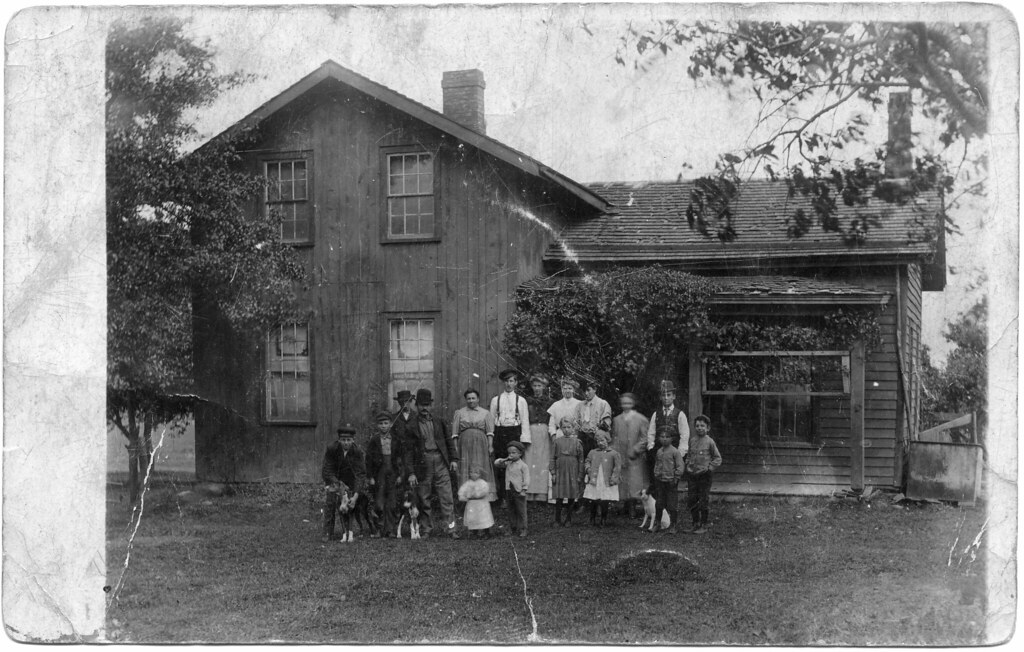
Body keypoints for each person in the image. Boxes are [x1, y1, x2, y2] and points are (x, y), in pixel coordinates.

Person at [401, 389, 460, 539]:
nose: (424, 408)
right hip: (423, 463)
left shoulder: (439, 421)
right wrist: (412, 473)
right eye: (421, 405)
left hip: (440, 461)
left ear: (431, 405)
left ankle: (451, 529)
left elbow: (448, 441)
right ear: (416, 405)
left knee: (446, 497)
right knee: (424, 497)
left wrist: (453, 459)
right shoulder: (411, 426)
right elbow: (407, 452)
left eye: (427, 405)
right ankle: (426, 529)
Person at [488, 369, 530, 507]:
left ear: (515, 383)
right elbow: (492, 420)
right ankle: (503, 497)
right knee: (502, 465)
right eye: (506, 381)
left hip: (514, 433)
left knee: (515, 465)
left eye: (511, 381)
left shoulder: (521, 400)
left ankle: (517, 495)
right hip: (500, 433)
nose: (508, 384)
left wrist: (524, 440)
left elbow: (525, 420)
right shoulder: (496, 400)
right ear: (503, 382)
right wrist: (492, 440)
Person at [321, 424, 367, 542]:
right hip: (335, 482)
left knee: (354, 506)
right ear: (339, 440)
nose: (346, 443)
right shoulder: (332, 449)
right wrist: (338, 484)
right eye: (343, 440)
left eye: (348, 440)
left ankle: (358, 529)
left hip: (351, 483)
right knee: (331, 503)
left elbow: (360, 475)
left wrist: (355, 495)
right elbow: (327, 470)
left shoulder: (357, 452)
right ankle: (327, 532)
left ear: (353, 440)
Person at [451, 388, 497, 501]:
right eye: (468, 399)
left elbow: (490, 432)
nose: (471, 401)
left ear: (478, 399)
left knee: (480, 465)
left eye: (473, 398)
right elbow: (455, 433)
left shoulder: (485, 413)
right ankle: (466, 496)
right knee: (466, 467)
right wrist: (456, 448)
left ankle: (483, 495)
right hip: (464, 444)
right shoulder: (459, 413)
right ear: (466, 400)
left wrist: (490, 446)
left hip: (481, 443)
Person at [646, 380, 691, 490]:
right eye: (663, 395)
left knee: (671, 483)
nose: (666, 398)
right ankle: (659, 506)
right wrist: (651, 447)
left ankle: (670, 506)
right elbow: (651, 433)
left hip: (673, 453)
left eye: (669, 395)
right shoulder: (656, 414)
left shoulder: (680, 414)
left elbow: (685, 436)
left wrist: (680, 454)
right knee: (658, 482)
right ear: (660, 397)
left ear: (674, 396)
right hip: (659, 452)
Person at [611, 392, 650, 517]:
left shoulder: (641, 419)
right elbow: (614, 437)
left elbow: (645, 438)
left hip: (635, 456)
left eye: (628, 403)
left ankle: (633, 506)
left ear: (633, 403)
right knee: (624, 481)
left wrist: (636, 449)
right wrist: (615, 453)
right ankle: (625, 505)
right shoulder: (617, 420)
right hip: (621, 454)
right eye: (623, 403)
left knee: (635, 481)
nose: (626, 405)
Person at [366, 410, 403, 538]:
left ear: (391, 424)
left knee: (392, 502)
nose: (383, 426)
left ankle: (391, 529)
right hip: (379, 472)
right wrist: (370, 476)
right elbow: (369, 459)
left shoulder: (396, 440)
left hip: (392, 471)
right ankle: (379, 529)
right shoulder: (374, 440)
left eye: (386, 423)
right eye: (381, 423)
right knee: (379, 501)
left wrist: (399, 475)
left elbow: (400, 458)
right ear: (377, 425)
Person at [686, 415, 722, 534]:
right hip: (693, 475)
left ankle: (704, 524)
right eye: (697, 426)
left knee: (703, 500)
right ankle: (695, 523)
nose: (699, 428)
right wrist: (688, 466)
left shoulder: (710, 442)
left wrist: (709, 469)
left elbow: (718, 458)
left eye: (702, 426)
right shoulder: (692, 440)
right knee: (692, 499)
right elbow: (689, 455)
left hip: (704, 476)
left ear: (708, 428)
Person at [523, 374, 554, 502]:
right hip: (531, 430)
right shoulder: (526, 400)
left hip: (544, 431)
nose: (537, 388)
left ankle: (542, 492)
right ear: (531, 387)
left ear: (544, 387)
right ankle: (530, 492)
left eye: (539, 386)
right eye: (535, 385)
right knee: (530, 460)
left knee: (543, 460)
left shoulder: (550, 402)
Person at [549, 416, 584, 526]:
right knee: (559, 496)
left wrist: (580, 475)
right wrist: (553, 473)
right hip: (560, 471)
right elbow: (552, 458)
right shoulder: (557, 442)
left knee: (571, 495)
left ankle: (568, 519)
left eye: (569, 427)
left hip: (572, 471)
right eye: (564, 427)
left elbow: (581, 460)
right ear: (560, 428)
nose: (566, 430)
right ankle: (557, 519)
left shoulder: (577, 442)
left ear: (573, 428)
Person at [651, 428, 686, 535]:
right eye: (662, 437)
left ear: (672, 439)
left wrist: (675, 478)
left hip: (671, 482)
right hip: (660, 481)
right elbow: (657, 465)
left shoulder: (675, 452)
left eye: (667, 437)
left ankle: (673, 525)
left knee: (672, 504)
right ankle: (657, 523)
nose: (664, 439)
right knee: (659, 502)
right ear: (658, 438)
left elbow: (680, 467)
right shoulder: (659, 451)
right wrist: (656, 475)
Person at [583, 431, 622, 526]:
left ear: (607, 440)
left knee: (605, 499)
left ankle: (603, 519)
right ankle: (592, 519)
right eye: (598, 441)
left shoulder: (613, 453)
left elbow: (617, 467)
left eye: (602, 440)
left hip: (606, 480)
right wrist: (588, 469)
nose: (600, 443)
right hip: (595, 479)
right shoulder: (593, 452)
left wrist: (614, 478)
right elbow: (587, 461)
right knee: (594, 499)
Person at [494, 441, 530, 537]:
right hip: (509, 491)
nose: (511, 455)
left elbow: (526, 479)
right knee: (511, 510)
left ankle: (523, 528)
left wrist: (524, 490)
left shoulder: (523, 466)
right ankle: (513, 528)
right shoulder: (508, 463)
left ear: (520, 453)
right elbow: (497, 463)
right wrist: (505, 459)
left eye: (513, 453)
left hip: (518, 491)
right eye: (509, 453)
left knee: (521, 511)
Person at [574, 379, 611, 458]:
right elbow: (576, 421)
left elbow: (606, 423)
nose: (586, 393)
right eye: (584, 391)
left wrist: (598, 432)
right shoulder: (580, 405)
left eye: (588, 390)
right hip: (582, 438)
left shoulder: (603, 404)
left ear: (595, 390)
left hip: (596, 439)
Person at [457, 467, 495, 538]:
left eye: (476, 473)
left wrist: (474, 494)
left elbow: (484, 492)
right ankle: (474, 533)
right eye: (471, 472)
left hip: (481, 504)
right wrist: (464, 497)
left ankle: (486, 533)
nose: (473, 474)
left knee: (483, 518)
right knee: (473, 519)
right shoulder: (467, 483)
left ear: (479, 474)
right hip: (472, 504)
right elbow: (461, 492)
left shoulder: (483, 483)